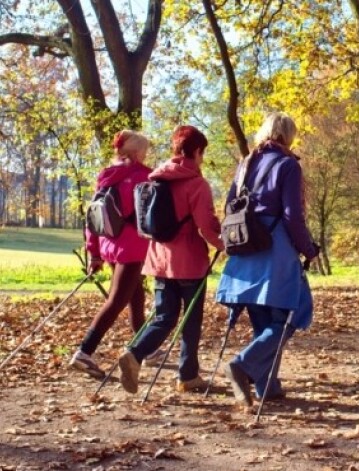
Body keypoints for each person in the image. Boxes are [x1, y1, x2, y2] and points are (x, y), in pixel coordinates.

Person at [216, 112, 319, 406]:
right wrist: (308, 248)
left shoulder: (245, 163)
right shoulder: (288, 165)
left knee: (262, 318)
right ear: (289, 136)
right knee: (292, 314)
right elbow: (292, 215)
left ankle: (267, 386)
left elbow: (229, 206)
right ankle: (243, 364)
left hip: (245, 248)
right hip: (277, 248)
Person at [117, 125, 224, 394]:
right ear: (197, 151)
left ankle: (134, 352)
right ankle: (187, 376)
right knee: (190, 319)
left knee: (164, 316)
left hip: (159, 259)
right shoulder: (197, 184)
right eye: (202, 153)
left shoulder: (156, 179)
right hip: (189, 261)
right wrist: (225, 245)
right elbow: (206, 225)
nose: (202, 159)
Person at [70, 130, 164, 378]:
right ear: (135, 152)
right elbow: (153, 217)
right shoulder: (143, 176)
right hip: (133, 248)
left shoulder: (107, 176)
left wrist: (95, 253)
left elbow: (92, 217)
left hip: (110, 245)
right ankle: (84, 352)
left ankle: (144, 348)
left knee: (135, 296)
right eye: (144, 149)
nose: (146, 154)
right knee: (116, 300)